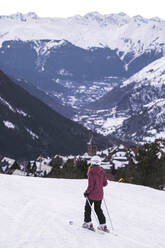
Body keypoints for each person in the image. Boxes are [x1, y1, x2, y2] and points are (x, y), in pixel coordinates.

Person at [82, 155, 109, 232]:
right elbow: (105, 183)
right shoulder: (102, 171)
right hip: (100, 194)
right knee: (98, 209)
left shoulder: (91, 172)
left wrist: (86, 192)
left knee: (88, 208)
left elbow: (91, 185)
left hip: (92, 195)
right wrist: (99, 184)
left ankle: (88, 223)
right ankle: (103, 225)